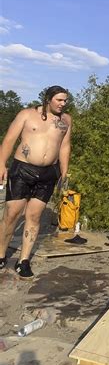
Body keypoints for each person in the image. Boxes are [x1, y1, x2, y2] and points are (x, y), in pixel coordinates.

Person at [0, 85, 72, 278]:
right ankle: (0, 254)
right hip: (22, 170)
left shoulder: (65, 120)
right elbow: (9, 140)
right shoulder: (27, 114)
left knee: (34, 217)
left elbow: (65, 147)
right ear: (48, 99)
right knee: (12, 214)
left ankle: (23, 261)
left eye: (65, 100)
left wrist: (64, 173)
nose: (63, 104)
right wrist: (1, 165)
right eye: (59, 100)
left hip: (48, 173)